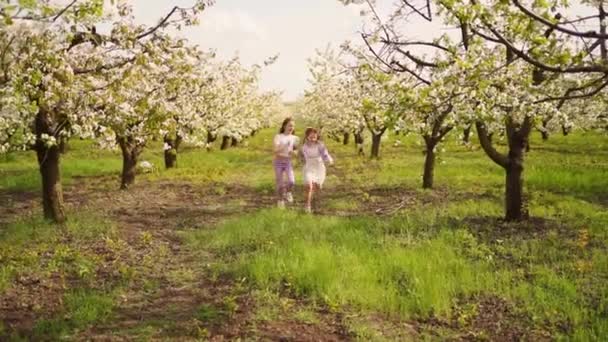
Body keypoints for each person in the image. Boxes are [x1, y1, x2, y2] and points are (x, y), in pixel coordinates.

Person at [299, 127, 334, 213]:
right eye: (311, 136)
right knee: (309, 185)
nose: (313, 138)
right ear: (307, 136)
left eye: (314, 136)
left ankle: (316, 204)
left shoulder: (320, 145)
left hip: (319, 167)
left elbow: (325, 154)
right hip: (309, 167)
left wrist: (329, 160)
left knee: (317, 187)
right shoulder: (304, 147)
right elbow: (303, 158)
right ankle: (307, 206)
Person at [273, 118, 299, 208]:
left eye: (293, 126)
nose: (291, 127)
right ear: (284, 126)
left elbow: (296, 152)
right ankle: (280, 200)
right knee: (280, 183)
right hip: (278, 161)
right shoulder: (278, 137)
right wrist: (284, 145)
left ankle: (288, 192)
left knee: (292, 181)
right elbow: (275, 151)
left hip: (288, 161)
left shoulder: (295, 138)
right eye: (290, 125)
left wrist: (293, 153)